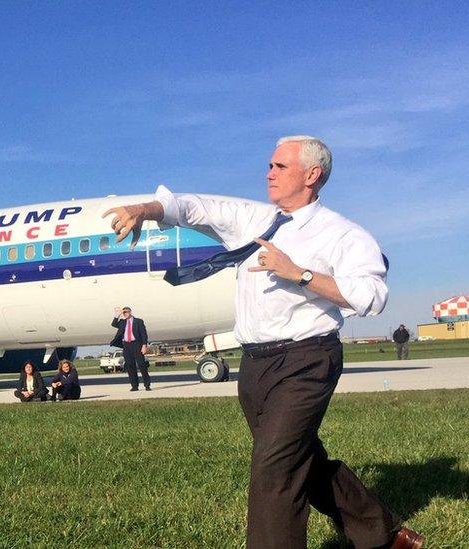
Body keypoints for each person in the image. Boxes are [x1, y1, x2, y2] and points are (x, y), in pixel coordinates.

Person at [103, 136, 423, 549]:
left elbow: (372, 297)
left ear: (312, 175)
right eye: (270, 166)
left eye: (280, 167)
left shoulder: (343, 234)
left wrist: (300, 274)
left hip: (307, 360)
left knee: (274, 469)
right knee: (300, 461)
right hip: (256, 366)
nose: (269, 173)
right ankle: (385, 533)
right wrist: (146, 209)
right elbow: (195, 206)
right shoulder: (254, 218)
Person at [110, 306, 151, 391]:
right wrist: (117, 315)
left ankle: (147, 385)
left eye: (126, 312)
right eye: (123, 312)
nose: (125, 313)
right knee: (130, 366)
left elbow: (144, 334)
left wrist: (144, 345)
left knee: (142, 365)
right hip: (126, 345)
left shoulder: (138, 321)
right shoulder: (122, 322)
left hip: (136, 344)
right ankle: (134, 386)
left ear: (130, 312)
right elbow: (113, 324)